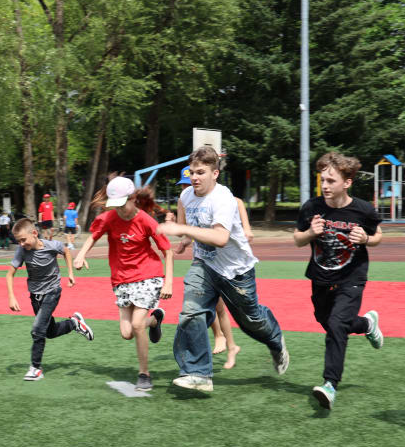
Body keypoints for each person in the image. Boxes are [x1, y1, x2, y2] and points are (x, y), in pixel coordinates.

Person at [157, 147, 289, 392]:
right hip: (205, 266)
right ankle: (198, 374)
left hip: (236, 271)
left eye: (201, 172)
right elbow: (186, 225)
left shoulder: (223, 198)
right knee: (191, 313)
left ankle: (275, 341)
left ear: (215, 173)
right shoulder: (185, 197)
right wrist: (184, 238)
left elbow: (219, 238)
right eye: (192, 172)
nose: (195, 178)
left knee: (252, 321)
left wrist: (179, 230)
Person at [293, 152, 384, 410]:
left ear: (347, 182)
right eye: (323, 180)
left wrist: (366, 240)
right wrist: (310, 232)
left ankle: (329, 384)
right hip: (321, 278)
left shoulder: (363, 210)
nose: (325, 186)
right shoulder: (312, 207)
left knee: (335, 323)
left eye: (331, 181)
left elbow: (377, 235)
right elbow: (297, 239)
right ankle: (366, 323)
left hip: (351, 278)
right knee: (328, 321)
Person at [74, 177, 173, 390]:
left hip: (148, 275)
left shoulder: (146, 220)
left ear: (133, 199)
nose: (119, 210)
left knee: (137, 325)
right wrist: (81, 255)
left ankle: (144, 374)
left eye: (122, 204)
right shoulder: (109, 218)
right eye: (115, 205)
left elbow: (167, 250)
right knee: (127, 332)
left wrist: (169, 282)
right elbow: (93, 236)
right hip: (121, 280)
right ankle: (155, 320)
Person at [174, 167, 243, 369]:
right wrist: (185, 240)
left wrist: (246, 229)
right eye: (185, 184)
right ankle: (225, 342)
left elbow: (215, 229)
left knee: (218, 306)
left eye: (191, 181)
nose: (189, 186)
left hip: (222, 262)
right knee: (210, 305)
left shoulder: (218, 198)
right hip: (203, 260)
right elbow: (189, 229)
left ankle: (227, 342)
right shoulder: (186, 199)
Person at [7, 218, 92, 381]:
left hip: (53, 291)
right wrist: (11, 297)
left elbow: (66, 250)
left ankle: (35, 368)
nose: (22, 244)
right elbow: (9, 274)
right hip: (35, 296)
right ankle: (74, 323)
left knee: (37, 330)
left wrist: (70, 274)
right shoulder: (22, 251)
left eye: (23, 240)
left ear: (34, 233)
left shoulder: (52, 246)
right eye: (18, 241)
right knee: (50, 332)